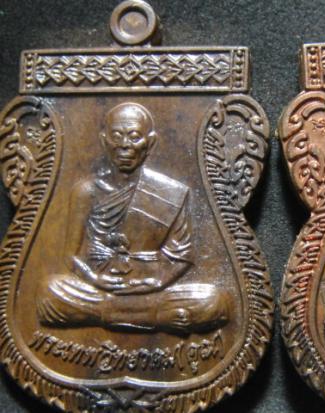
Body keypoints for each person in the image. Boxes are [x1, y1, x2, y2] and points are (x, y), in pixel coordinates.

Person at [37, 102, 230, 335]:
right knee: (49, 292)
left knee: (214, 300)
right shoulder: (86, 191)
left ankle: (110, 313)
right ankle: (154, 318)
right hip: (100, 289)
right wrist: (95, 279)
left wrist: (154, 282)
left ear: (150, 143)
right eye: (117, 136)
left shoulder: (170, 192)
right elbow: (71, 256)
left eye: (134, 137)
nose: (125, 145)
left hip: (152, 288)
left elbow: (181, 256)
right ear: (104, 141)